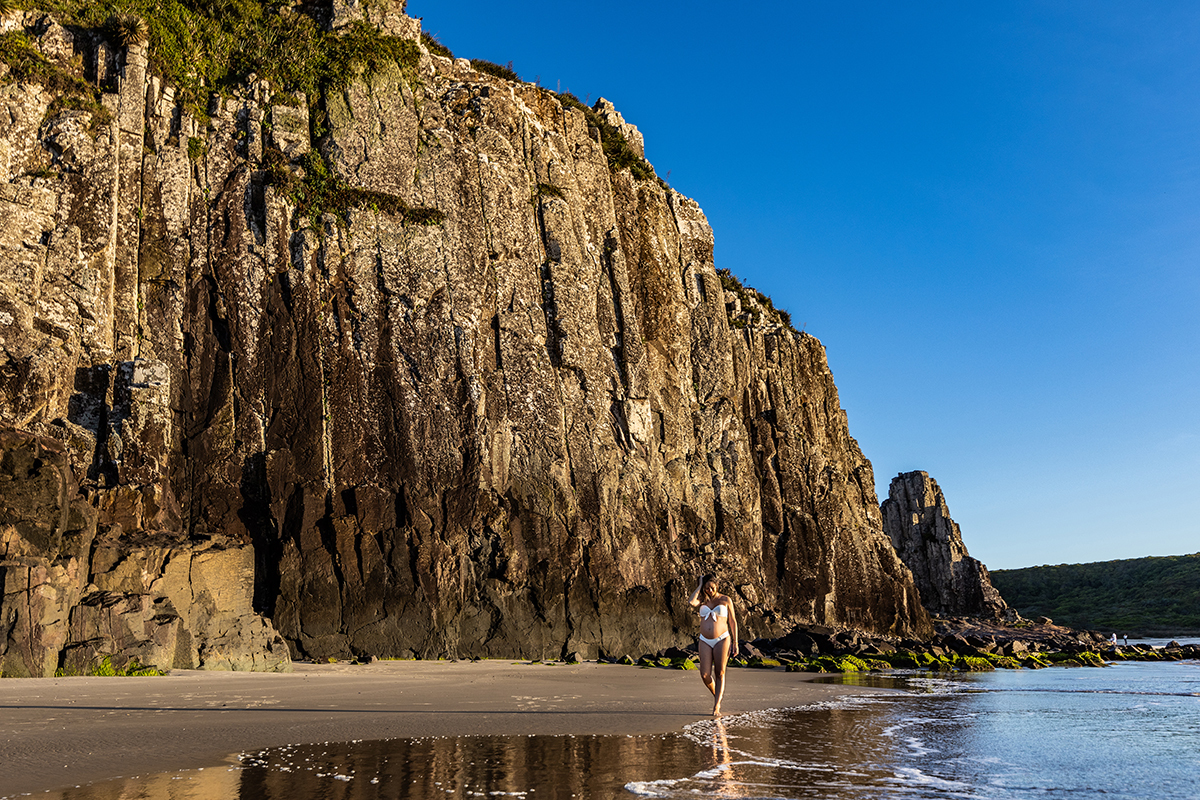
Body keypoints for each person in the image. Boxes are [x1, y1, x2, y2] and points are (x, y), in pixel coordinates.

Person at [688, 573, 739, 717]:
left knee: (720, 672)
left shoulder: (726, 600)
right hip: (704, 639)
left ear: (717, 585)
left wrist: (735, 642)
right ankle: (717, 693)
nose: (709, 590)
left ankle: (716, 706)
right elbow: (691, 602)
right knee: (705, 675)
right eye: (706, 588)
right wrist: (699, 585)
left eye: (712, 587)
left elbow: (733, 622)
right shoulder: (702, 601)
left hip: (722, 639)